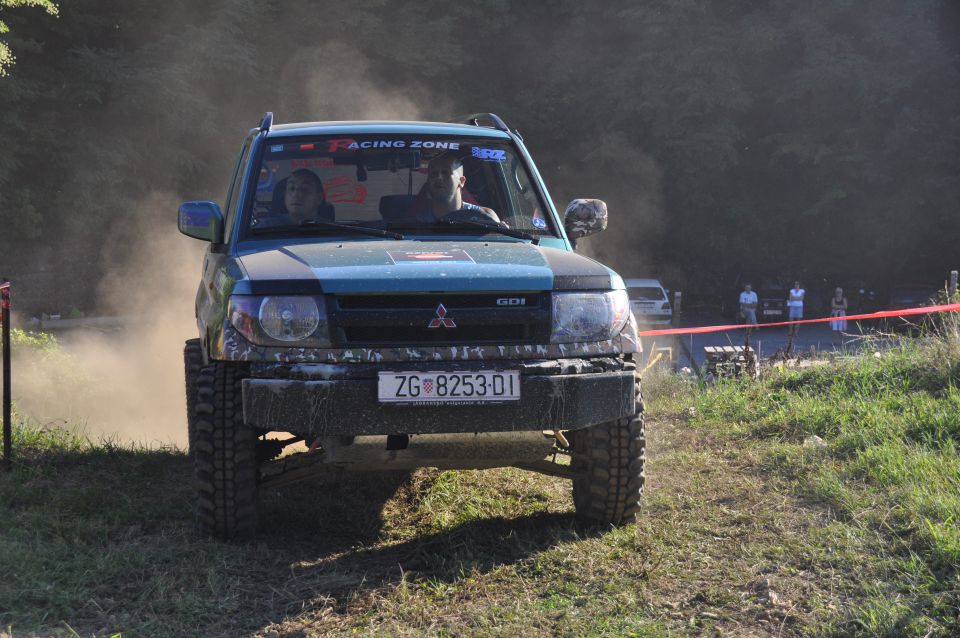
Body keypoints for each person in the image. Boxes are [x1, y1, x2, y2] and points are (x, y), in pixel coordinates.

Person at [416, 153, 500, 223]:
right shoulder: (415, 223)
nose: (439, 177)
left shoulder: (485, 218)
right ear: (428, 181)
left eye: (446, 173)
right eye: (434, 173)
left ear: (462, 181)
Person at [256, 169, 330, 227]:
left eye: (304, 189)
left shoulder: (332, 230)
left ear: (319, 198)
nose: (296, 194)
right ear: (285, 196)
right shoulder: (265, 228)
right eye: (292, 188)